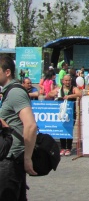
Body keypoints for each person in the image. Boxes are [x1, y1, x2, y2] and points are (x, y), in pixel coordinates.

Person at [0, 55, 38, 200]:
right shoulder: (8, 92)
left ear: (7, 72)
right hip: (9, 157)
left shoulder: (15, 92)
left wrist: (27, 158)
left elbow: (30, 125)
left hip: (11, 159)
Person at [48, 74, 82, 156]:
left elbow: (79, 94)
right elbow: (49, 94)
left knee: (69, 129)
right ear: (63, 81)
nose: (67, 82)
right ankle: (63, 147)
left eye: (69, 80)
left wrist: (69, 96)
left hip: (71, 113)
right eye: (66, 80)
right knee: (62, 129)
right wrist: (54, 94)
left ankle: (68, 148)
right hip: (61, 113)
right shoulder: (59, 89)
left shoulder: (73, 88)